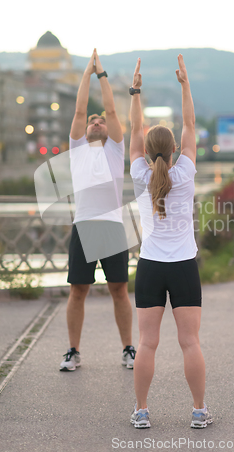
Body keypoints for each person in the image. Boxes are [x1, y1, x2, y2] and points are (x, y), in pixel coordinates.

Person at [128, 55, 213, 428]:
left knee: (146, 344)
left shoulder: (137, 173)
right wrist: (185, 84)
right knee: (189, 342)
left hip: (149, 268)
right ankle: (198, 412)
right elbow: (191, 122)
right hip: (183, 268)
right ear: (176, 146)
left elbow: (135, 126)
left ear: (146, 152)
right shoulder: (187, 171)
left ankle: (142, 413)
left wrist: (136, 91)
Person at [60, 49, 136, 371]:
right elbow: (79, 110)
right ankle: (73, 351)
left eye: (100, 121)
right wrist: (86, 74)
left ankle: (128, 348)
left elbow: (112, 109)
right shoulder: (78, 149)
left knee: (119, 289)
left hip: (112, 227)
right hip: (84, 226)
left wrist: (102, 74)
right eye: (93, 121)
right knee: (78, 290)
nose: (96, 121)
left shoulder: (115, 150)